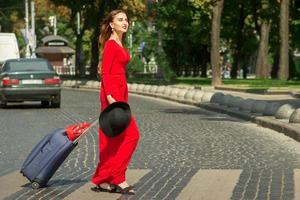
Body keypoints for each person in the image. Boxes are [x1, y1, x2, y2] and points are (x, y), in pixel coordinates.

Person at [91, 9, 140, 195]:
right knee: (132, 135)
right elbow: (106, 72)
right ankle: (118, 177)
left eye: (126, 19)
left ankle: (102, 179)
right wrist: (112, 98)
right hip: (113, 96)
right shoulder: (112, 44)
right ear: (111, 24)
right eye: (120, 20)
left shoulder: (119, 41)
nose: (124, 22)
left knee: (112, 140)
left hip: (119, 93)